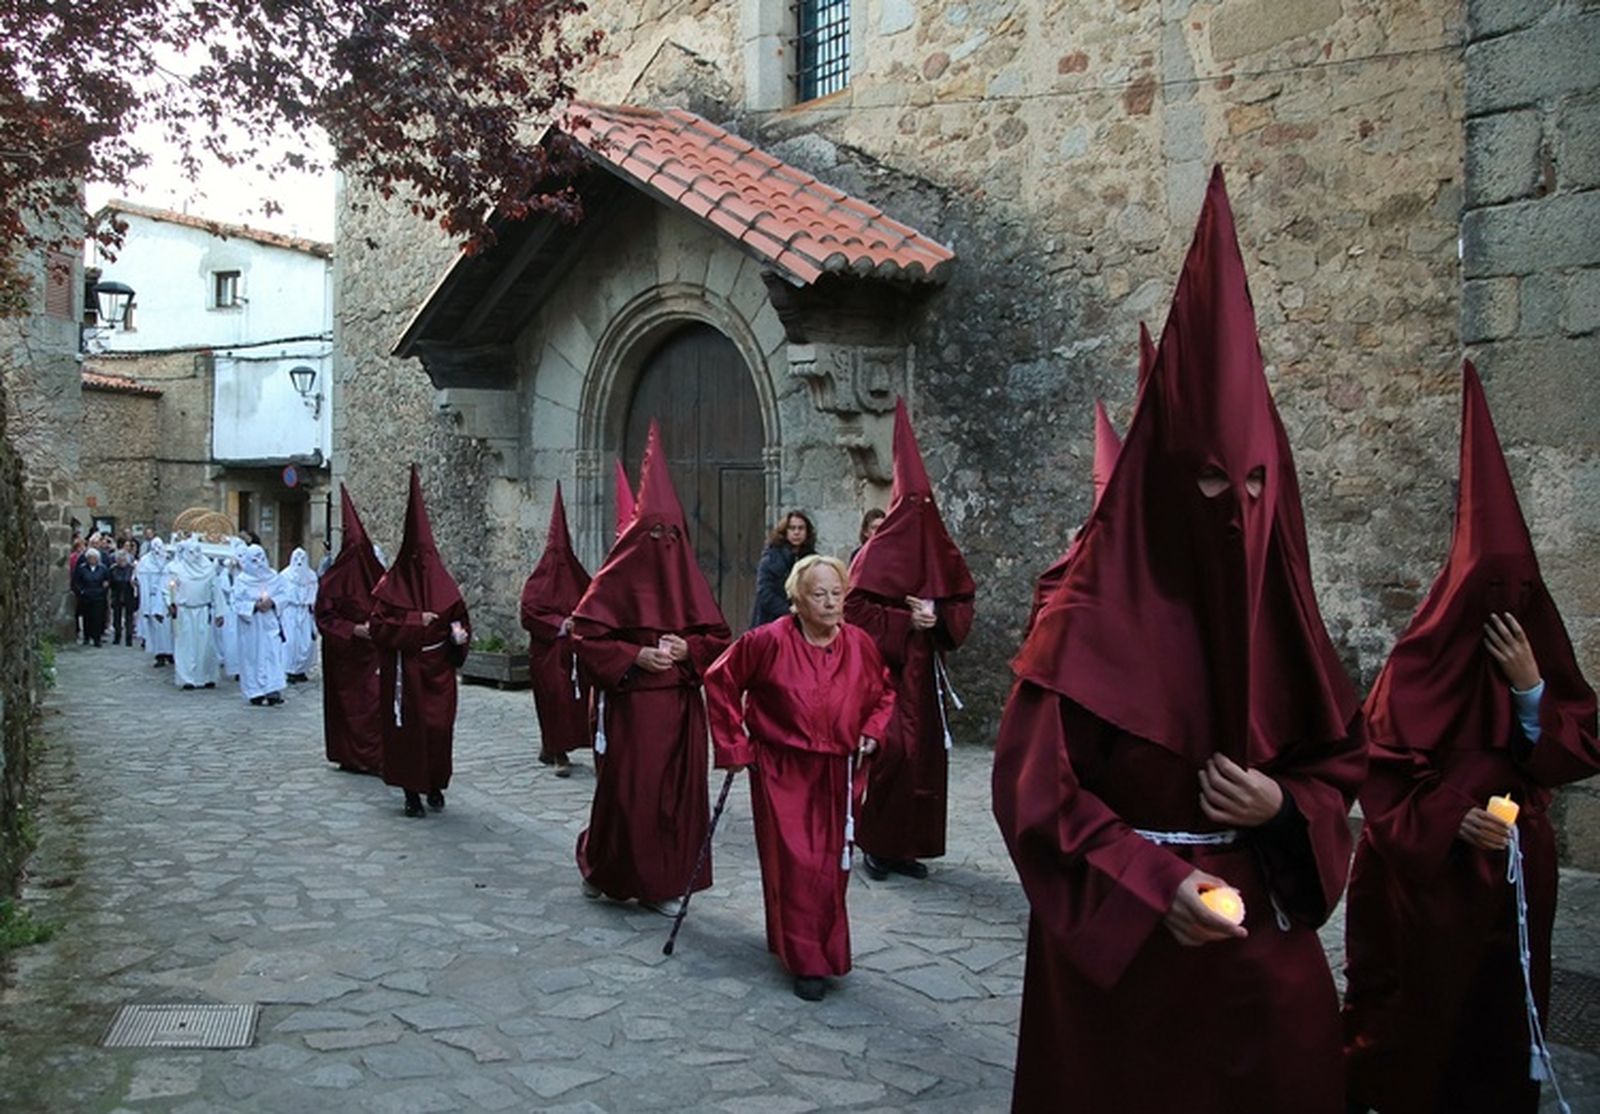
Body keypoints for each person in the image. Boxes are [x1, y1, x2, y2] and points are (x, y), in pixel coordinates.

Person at [992, 168, 1366, 1114]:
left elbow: (1340, 770)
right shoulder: (1085, 616)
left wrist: (1284, 804)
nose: (1233, 514)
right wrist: (1152, 882)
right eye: (1206, 486)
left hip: (1258, 939)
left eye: (1251, 486)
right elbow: (1036, 791)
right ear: (1159, 488)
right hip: (1134, 950)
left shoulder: (1282, 612)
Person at [1342, 362, 1600, 1114]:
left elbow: (1574, 745)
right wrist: (1449, 813)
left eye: (1520, 594)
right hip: (1425, 882)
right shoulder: (1415, 664)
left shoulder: (1535, 656)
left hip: (1515, 874)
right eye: (1489, 593)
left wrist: (1528, 688)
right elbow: (1377, 765)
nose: (1506, 610)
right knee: (1415, 1020)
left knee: (1501, 1017)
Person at [705, 554, 895, 1001]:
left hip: (840, 768)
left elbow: (885, 691)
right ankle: (806, 960)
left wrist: (872, 732)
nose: (831, 603)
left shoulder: (861, 644)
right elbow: (720, 680)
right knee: (796, 863)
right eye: (819, 594)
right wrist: (735, 745)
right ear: (796, 600)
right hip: (783, 767)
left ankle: (824, 950)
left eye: (837, 593)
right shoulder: (767, 641)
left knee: (832, 865)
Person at [570, 421, 732, 914]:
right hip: (635, 705)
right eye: (653, 531)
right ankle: (608, 867)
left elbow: (719, 639)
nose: (663, 541)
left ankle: (665, 881)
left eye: (671, 532)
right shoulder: (615, 577)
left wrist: (688, 651)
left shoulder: (690, 579)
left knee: (678, 797)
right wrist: (634, 656)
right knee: (632, 794)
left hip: (682, 705)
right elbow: (585, 633)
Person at [845, 398, 975, 881]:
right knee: (890, 754)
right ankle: (876, 843)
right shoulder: (874, 553)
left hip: (925, 680)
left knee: (923, 761)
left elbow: (962, 601)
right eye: (913, 505)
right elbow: (853, 608)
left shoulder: (942, 550)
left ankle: (908, 846)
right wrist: (904, 623)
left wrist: (937, 616)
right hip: (886, 676)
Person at [369, 466, 471, 818]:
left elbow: (459, 617)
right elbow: (379, 627)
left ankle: (436, 784)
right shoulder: (391, 588)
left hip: (439, 669)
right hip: (406, 671)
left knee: (439, 729)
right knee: (410, 733)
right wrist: (414, 621)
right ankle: (411, 792)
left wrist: (458, 637)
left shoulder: (446, 586)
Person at [519, 481, 593, 778]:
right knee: (553, 700)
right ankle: (555, 750)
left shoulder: (580, 577)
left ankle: (560, 746)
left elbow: (594, 605)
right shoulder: (537, 582)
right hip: (548, 656)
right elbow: (529, 614)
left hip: (576, 656)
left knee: (577, 704)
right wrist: (560, 625)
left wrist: (581, 623)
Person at [315, 485, 387, 776]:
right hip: (344, 656)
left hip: (372, 654)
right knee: (349, 707)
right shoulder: (333, 582)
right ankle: (350, 754)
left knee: (373, 705)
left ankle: (374, 756)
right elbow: (324, 617)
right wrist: (352, 629)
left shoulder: (377, 576)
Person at [165, 537, 225, 689]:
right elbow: (168, 588)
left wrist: (219, 612)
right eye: (191, 552)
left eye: (197, 551)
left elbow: (216, 591)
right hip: (185, 611)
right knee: (186, 645)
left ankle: (206, 676)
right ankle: (187, 678)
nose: (195, 555)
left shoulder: (208, 569)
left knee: (205, 645)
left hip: (203, 610)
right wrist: (170, 603)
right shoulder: (176, 569)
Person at [232, 544, 287, 706]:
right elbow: (236, 602)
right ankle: (254, 691)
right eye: (254, 560)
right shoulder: (242, 581)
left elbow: (284, 594)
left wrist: (273, 602)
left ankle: (273, 690)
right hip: (251, 626)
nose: (259, 563)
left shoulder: (274, 577)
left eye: (261, 559)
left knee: (272, 654)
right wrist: (254, 606)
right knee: (252, 657)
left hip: (269, 622)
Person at [749, 510, 816, 628]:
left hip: (803, 621)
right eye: (792, 528)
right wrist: (788, 611)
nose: (796, 532)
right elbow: (765, 592)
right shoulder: (772, 558)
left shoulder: (813, 559)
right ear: (785, 531)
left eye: (801, 528)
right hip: (771, 620)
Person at [276, 547, 318, 682]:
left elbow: (315, 594)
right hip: (290, 611)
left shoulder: (311, 576)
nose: (299, 562)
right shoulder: (284, 576)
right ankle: (289, 670)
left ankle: (301, 670)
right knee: (290, 642)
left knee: (305, 642)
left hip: (305, 611)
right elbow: (280, 594)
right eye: (296, 559)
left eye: (302, 559)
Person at [134, 538, 174, 665]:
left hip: (167, 597)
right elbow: (142, 583)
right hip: (151, 598)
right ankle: (159, 654)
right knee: (156, 628)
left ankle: (171, 653)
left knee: (170, 628)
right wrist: (145, 605)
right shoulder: (145, 562)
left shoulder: (170, 560)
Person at [71, 546, 111, 646]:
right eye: (90, 558)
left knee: (97, 618)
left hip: (98, 597)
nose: (92, 560)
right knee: (86, 618)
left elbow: (107, 581)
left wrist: (102, 590)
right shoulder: (82, 569)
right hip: (86, 596)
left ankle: (97, 638)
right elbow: (76, 582)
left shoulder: (103, 569)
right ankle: (87, 637)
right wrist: (82, 591)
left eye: (94, 558)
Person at [107, 549, 139, 647]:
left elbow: (136, 582)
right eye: (119, 560)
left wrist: (134, 584)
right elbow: (110, 582)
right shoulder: (113, 569)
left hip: (128, 595)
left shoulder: (132, 569)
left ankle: (128, 638)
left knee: (129, 617)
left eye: (123, 560)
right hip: (117, 595)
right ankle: (117, 636)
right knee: (117, 617)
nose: (121, 562)